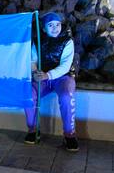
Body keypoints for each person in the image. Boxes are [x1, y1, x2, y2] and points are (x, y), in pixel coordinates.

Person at [24, 12, 79, 152]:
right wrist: (35, 71)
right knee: (28, 94)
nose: (55, 28)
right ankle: (33, 130)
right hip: (43, 77)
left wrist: (48, 75)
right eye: (51, 25)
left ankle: (69, 134)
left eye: (57, 24)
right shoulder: (37, 42)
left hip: (62, 77)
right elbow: (33, 60)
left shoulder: (67, 41)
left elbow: (65, 65)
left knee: (66, 96)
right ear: (44, 28)